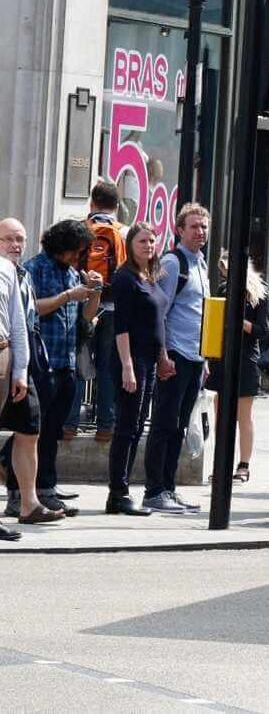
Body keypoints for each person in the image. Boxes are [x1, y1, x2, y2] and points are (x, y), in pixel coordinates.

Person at [16, 220, 101, 516]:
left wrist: (94, 291)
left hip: (66, 360)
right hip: (43, 360)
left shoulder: (72, 272)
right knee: (31, 430)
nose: (78, 258)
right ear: (61, 246)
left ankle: (45, 488)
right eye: (75, 252)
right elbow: (32, 308)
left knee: (53, 430)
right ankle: (21, 489)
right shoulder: (34, 268)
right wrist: (67, 296)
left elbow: (87, 317)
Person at [146, 204, 212, 515]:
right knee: (164, 423)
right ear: (180, 230)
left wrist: (206, 357)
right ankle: (154, 490)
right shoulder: (173, 263)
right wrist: (162, 355)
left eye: (203, 226)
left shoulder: (201, 263)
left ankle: (169, 488)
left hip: (195, 357)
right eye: (194, 226)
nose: (200, 232)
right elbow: (159, 311)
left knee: (179, 427)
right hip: (175, 354)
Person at [106, 224, 172, 516]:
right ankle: (117, 493)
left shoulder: (152, 276)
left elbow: (158, 322)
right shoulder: (125, 278)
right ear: (131, 244)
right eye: (142, 241)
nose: (148, 245)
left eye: (152, 241)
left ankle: (122, 490)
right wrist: (128, 368)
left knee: (136, 427)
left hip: (150, 357)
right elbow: (121, 326)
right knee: (126, 427)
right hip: (131, 359)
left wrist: (163, 356)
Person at [0, 238, 59, 532]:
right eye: (8, 238)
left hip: (14, 354)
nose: (15, 244)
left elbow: (19, 322)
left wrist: (21, 368)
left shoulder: (17, 273)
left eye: (20, 239)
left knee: (30, 425)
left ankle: (28, 503)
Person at [207, 255, 268, 484]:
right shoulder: (223, 289)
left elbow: (263, 330)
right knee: (221, 415)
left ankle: (244, 465)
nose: (223, 272)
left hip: (245, 359)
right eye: (222, 269)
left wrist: (237, 320)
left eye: (225, 268)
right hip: (222, 357)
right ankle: (221, 462)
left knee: (244, 416)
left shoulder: (259, 292)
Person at [83, 178, 127, 443]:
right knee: (108, 367)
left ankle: (69, 423)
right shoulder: (124, 231)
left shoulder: (81, 228)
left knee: (80, 363)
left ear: (92, 202)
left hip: (85, 303)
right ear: (117, 205)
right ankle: (105, 425)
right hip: (113, 307)